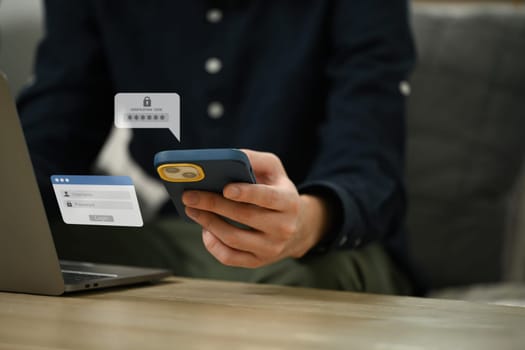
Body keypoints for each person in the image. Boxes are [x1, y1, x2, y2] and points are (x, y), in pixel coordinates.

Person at [18, 0, 418, 294]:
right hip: (175, 237)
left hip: (326, 246)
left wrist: (302, 225)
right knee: (32, 253)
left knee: (284, 287)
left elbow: (371, 164)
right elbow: (55, 124)